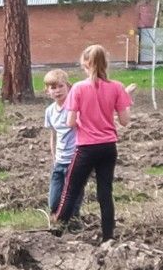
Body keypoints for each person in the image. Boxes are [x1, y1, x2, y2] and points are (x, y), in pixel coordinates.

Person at [51, 44, 131, 242]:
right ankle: (108, 236)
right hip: (108, 147)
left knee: (71, 189)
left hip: (86, 148)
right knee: (105, 191)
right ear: (106, 63)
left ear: (86, 64)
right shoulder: (117, 87)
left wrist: (83, 121)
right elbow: (124, 121)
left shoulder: (78, 88)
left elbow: (70, 122)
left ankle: (57, 230)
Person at [41, 69, 85, 221]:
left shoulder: (75, 108)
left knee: (74, 196)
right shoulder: (50, 112)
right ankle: (57, 218)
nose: (57, 91)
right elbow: (53, 135)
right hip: (60, 161)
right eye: (53, 88)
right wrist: (54, 157)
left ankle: (73, 221)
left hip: (76, 159)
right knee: (54, 201)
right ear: (47, 91)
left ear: (68, 87)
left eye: (60, 86)